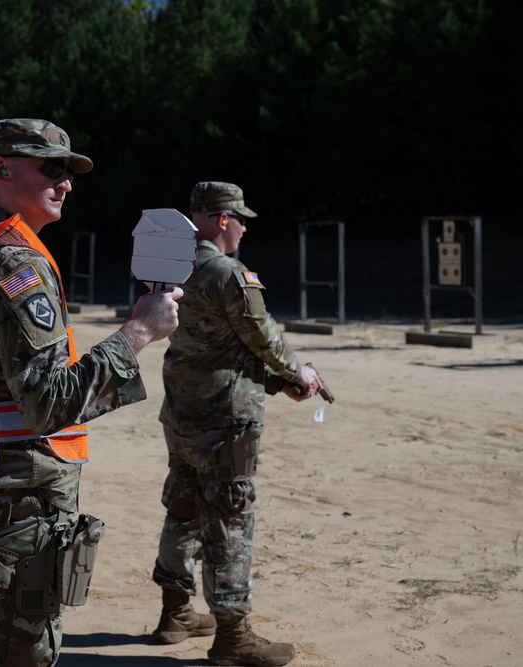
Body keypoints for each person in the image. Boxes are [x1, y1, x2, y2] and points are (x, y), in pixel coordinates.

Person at [0, 117, 183, 667]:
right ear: (3, 168)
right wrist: (139, 333)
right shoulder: (18, 260)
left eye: (69, 172)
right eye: (52, 169)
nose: (66, 183)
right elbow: (48, 401)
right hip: (12, 506)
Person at [152, 181, 322, 667]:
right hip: (226, 421)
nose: (245, 226)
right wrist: (298, 374)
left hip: (183, 413)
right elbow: (262, 336)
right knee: (229, 518)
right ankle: (233, 637)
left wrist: (274, 381)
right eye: (240, 217)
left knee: (182, 507)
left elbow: (215, 345)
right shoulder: (228, 272)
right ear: (220, 219)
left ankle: (176, 613)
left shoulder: (170, 267)